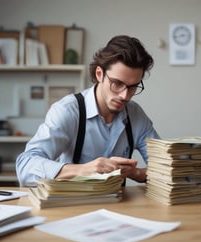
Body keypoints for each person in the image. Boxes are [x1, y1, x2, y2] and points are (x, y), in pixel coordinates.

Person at [16, 35, 159, 186]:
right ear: (99, 74)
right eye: (117, 83)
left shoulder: (136, 115)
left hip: (119, 205)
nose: (124, 95)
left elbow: (168, 169)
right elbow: (25, 166)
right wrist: (82, 170)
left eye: (132, 87)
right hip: (73, 206)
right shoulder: (68, 111)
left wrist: (137, 173)